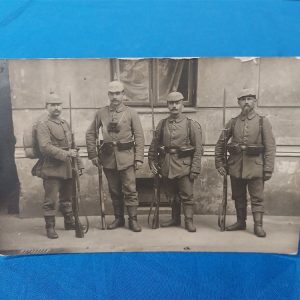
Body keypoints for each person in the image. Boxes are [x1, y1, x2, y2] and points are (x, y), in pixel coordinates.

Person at [215, 88, 276, 237]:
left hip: (256, 167)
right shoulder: (233, 122)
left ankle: (258, 226)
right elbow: (220, 144)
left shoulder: (263, 122)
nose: (246, 102)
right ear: (238, 103)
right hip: (236, 166)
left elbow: (270, 147)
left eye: (249, 99)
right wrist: (220, 164)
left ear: (255, 101)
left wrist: (268, 169)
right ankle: (240, 222)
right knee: (238, 195)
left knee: (257, 197)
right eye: (243, 99)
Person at [86, 81, 145, 232]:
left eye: (118, 93)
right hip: (108, 158)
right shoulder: (101, 113)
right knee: (114, 190)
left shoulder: (131, 113)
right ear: (108, 95)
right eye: (112, 93)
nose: (115, 96)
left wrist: (138, 158)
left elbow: (139, 136)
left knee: (130, 190)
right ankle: (119, 218)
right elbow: (90, 133)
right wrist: (93, 154)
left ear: (123, 94)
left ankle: (133, 220)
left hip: (127, 158)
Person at [148, 91, 203, 232]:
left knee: (187, 196)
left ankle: (189, 221)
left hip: (184, 166)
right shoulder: (162, 124)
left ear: (182, 105)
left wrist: (195, 168)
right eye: (171, 103)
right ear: (167, 105)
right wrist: (152, 162)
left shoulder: (191, 125)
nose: (174, 106)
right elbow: (154, 145)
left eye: (177, 103)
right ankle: (175, 218)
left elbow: (198, 149)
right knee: (171, 195)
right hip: (167, 165)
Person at [32, 93, 83, 239]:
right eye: (53, 105)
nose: (56, 108)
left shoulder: (64, 123)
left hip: (68, 167)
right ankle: (50, 227)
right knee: (51, 200)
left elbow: (73, 145)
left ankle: (69, 221)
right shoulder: (43, 124)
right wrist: (67, 154)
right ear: (46, 107)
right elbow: (45, 147)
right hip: (52, 167)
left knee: (67, 197)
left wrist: (79, 163)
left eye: (59, 104)